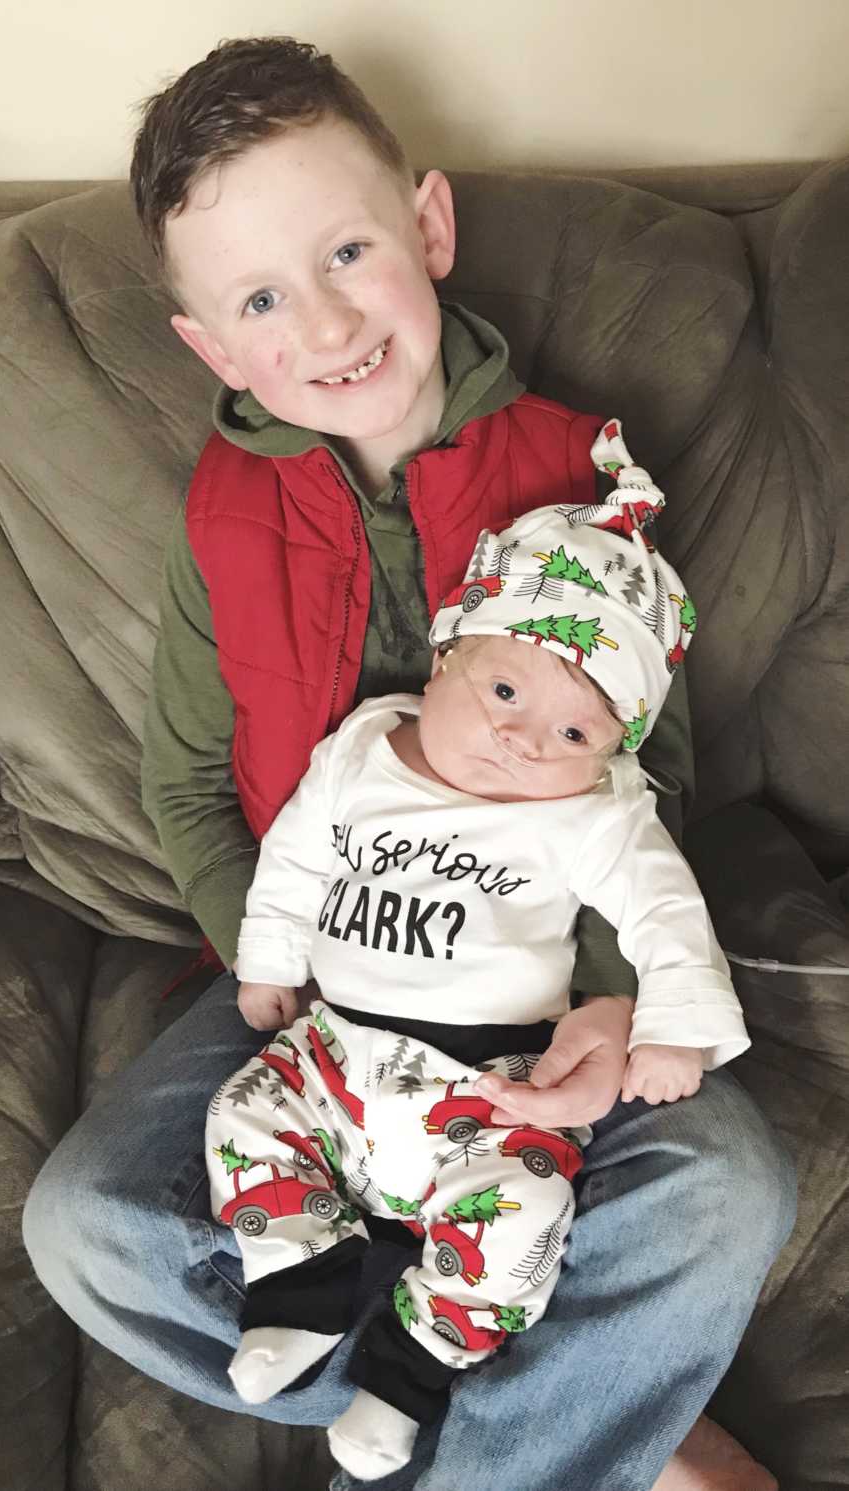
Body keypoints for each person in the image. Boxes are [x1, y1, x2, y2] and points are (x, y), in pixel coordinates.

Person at [21, 36, 795, 1491]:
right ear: (213, 345)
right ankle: (588, 1393)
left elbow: (651, 783)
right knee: (86, 1220)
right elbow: (189, 786)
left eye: (349, 251)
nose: (322, 321)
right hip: (319, 980)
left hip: (535, 977)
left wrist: (618, 1004)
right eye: (260, 297)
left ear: (429, 230)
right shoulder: (225, 513)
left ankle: (504, 1404)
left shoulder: (578, 473)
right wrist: (286, 971)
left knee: (728, 1192)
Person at [212, 477, 751, 1481]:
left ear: (611, 755)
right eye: (505, 692)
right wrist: (269, 960)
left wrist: (674, 1024)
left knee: (526, 1209)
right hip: (335, 1049)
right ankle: (298, 1283)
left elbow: (665, 912)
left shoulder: (593, 812)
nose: (523, 740)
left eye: (575, 734)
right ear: (447, 657)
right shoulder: (367, 748)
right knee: (243, 1115)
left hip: (489, 1083)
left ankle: (408, 1376)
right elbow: (294, 857)